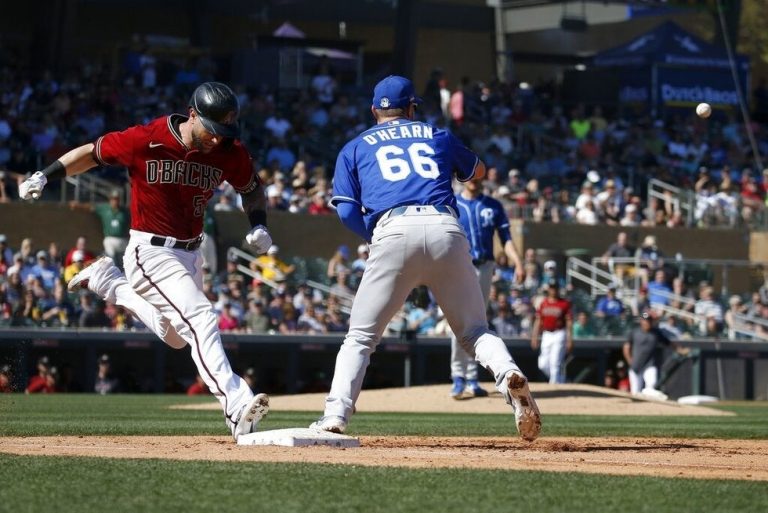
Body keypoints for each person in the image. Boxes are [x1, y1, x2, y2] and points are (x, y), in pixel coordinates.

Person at [19, 81, 272, 442]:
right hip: (150, 251)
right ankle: (235, 403)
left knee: (177, 338)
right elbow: (92, 153)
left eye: (225, 132)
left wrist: (259, 223)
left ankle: (109, 283)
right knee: (200, 316)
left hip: (190, 253)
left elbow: (251, 189)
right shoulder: (147, 138)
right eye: (212, 130)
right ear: (193, 115)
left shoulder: (229, 149)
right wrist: (46, 173)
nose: (218, 139)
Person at [309, 75, 540, 441]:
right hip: (445, 226)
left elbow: (346, 212)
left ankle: (335, 416)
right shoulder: (436, 134)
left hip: (393, 228)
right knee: (475, 331)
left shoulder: (354, 146)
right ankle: (508, 374)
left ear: (374, 110)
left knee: (360, 338)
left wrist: (377, 237)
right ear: (413, 107)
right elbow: (477, 171)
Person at [449, 173, 525, 399]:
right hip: (460, 266)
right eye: (469, 176)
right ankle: (458, 376)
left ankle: (472, 377)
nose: (474, 180)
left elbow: (506, 239)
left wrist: (518, 262)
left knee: (477, 321)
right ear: (462, 179)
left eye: (478, 176)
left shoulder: (492, 205)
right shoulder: (451, 203)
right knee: (459, 321)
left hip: (485, 267)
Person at [623, 311, 689, 395]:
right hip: (636, 365)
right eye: (646, 320)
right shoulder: (635, 332)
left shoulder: (656, 333)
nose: (648, 322)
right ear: (641, 321)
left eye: (649, 320)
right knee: (635, 391)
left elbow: (669, 343)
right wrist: (629, 360)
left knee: (651, 385)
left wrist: (680, 350)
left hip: (649, 364)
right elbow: (626, 347)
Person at [531, 278, 573, 384]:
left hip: (559, 333)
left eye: (555, 288)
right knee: (543, 364)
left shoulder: (564, 303)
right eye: (551, 288)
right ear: (548, 289)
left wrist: (569, 339)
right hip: (546, 334)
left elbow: (569, 322)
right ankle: (560, 379)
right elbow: (538, 321)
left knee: (555, 362)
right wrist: (534, 337)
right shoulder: (544, 303)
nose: (553, 290)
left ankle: (554, 384)